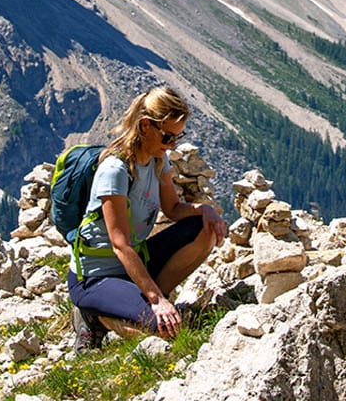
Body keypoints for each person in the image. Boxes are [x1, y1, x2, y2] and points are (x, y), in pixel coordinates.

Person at [66, 86, 227, 350]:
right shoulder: (115, 171)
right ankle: (94, 317)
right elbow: (120, 245)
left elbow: (174, 208)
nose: (172, 144)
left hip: (135, 263)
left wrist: (204, 211)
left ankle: (144, 301)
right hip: (96, 276)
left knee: (204, 228)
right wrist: (154, 299)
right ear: (145, 126)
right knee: (166, 333)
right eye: (167, 137)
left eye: (178, 136)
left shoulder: (157, 160)